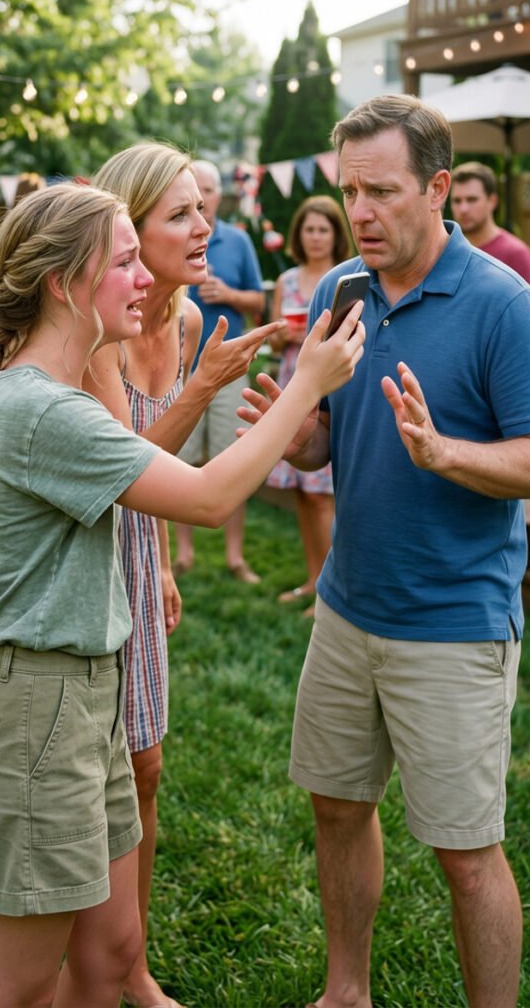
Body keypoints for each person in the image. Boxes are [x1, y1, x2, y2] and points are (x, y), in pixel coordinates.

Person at [0, 182, 364, 1008]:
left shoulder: (52, 398)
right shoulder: (41, 410)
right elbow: (206, 497)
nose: (143, 278)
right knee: (16, 987)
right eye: (125, 262)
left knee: (113, 952)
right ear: (65, 284)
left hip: (86, 700)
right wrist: (308, 385)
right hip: (34, 716)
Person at [238, 95, 530, 1008]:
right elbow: (328, 441)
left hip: (454, 621)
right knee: (338, 809)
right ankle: (346, 992)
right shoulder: (342, 291)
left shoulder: (504, 305)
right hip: (347, 607)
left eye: (381, 191)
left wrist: (445, 452)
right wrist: (297, 436)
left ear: (437, 188)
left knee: (466, 854)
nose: (361, 212)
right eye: (351, 191)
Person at [85, 142, 285, 1008]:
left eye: (202, 208)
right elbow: (119, 472)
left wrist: (162, 561)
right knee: (91, 776)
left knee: (147, 768)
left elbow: (152, 489)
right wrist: (202, 391)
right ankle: (86, 958)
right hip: (83, 561)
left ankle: (129, 966)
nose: (204, 226)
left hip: (137, 552)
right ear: (130, 232)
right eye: (180, 214)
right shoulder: (100, 329)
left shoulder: (193, 320)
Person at [174, 160, 267, 584]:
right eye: (195, 191)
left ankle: (235, 556)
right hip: (180, 369)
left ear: (218, 195)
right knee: (179, 463)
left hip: (230, 370)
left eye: (208, 191)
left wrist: (228, 293)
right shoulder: (173, 237)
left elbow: (260, 302)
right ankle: (183, 554)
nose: (203, 199)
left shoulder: (238, 240)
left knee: (233, 461)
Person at [265, 196, 351, 618]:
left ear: (336, 235)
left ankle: (330, 592)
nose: (315, 237)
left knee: (321, 496)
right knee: (302, 491)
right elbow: (272, 339)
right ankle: (312, 578)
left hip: (326, 389)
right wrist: (283, 336)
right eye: (309, 229)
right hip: (290, 380)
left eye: (323, 229)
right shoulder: (286, 280)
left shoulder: (347, 279)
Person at [449, 161, 530, 290]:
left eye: (472, 200)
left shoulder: (516, 254)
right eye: (457, 201)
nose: (463, 209)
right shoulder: (447, 252)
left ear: (492, 201)